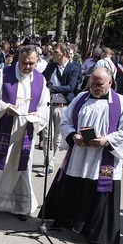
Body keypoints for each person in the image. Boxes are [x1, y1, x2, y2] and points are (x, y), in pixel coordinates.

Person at [41, 68, 123, 244]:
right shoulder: (80, 99)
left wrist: (107, 140)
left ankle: (101, 237)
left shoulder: (122, 103)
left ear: (110, 83)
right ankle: (69, 222)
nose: (94, 88)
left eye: (99, 84)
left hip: (104, 158)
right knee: (75, 186)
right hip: (80, 154)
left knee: (102, 194)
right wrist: (73, 135)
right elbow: (65, 121)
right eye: (92, 83)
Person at [0, 46, 50, 222]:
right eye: (24, 62)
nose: (27, 67)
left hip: (24, 133)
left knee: (20, 168)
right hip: (2, 130)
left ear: (37, 61)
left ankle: (21, 206)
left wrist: (39, 114)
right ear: (17, 59)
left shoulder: (40, 80)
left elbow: (45, 106)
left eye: (31, 63)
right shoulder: (3, 74)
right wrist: (6, 108)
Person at [40, 43, 80, 171]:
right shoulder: (50, 66)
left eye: (56, 52)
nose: (53, 55)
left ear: (63, 53)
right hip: (48, 105)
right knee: (47, 136)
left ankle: (51, 158)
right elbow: (41, 79)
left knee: (56, 138)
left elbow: (70, 88)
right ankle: (49, 164)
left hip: (63, 107)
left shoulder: (74, 68)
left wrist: (52, 88)